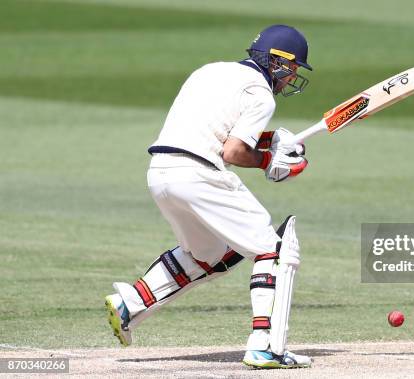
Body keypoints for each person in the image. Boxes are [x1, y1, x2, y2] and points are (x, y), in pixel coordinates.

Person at [104, 24, 313, 369]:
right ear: (277, 62)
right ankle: (265, 346)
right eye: (291, 69)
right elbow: (233, 151)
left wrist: (270, 139)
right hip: (200, 175)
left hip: (161, 174)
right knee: (273, 250)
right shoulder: (261, 93)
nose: (291, 77)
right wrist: (268, 162)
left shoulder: (211, 71)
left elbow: (214, 128)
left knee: (211, 253)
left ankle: (132, 302)